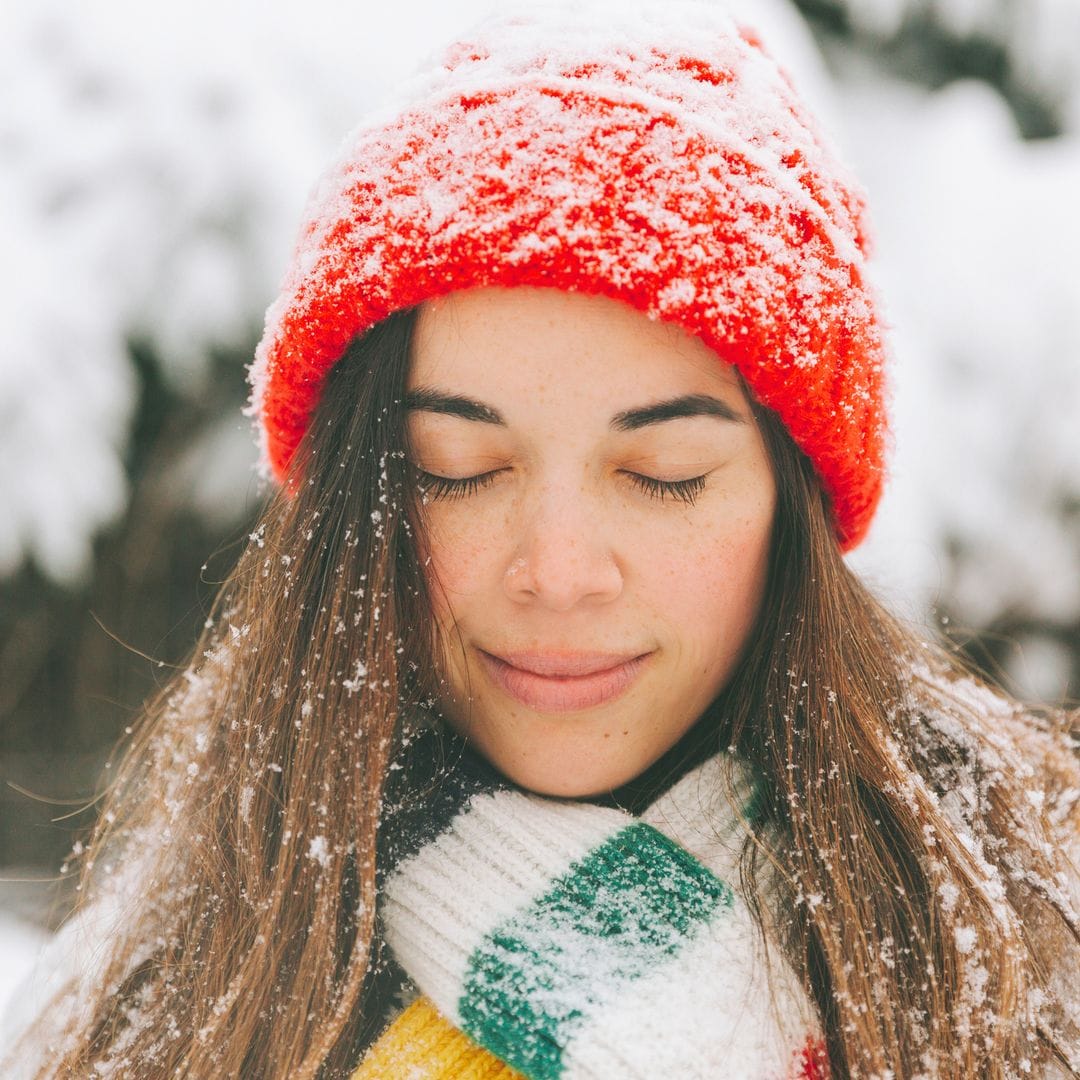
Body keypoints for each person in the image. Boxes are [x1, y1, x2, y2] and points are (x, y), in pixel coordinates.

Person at [5, 1, 1079, 1077]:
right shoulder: (175, 1000)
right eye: (457, 471)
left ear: (793, 503)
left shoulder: (1026, 966)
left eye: (665, 478)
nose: (559, 573)